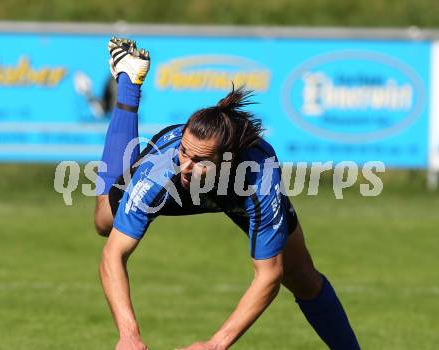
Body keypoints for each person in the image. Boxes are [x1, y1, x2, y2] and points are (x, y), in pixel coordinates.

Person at [95, 37, 360, 350]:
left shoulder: (259, 177)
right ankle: (129, 81)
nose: (186, 166)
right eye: (184, 152)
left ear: (228, 159)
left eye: (199, 160)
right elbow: (113, 255)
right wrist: (128, 335)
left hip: (236, 197)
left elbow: (268, 276)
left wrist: (216, 344)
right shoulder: (164, 168)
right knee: (104, 222)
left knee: (301, 276)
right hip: (173, 191)